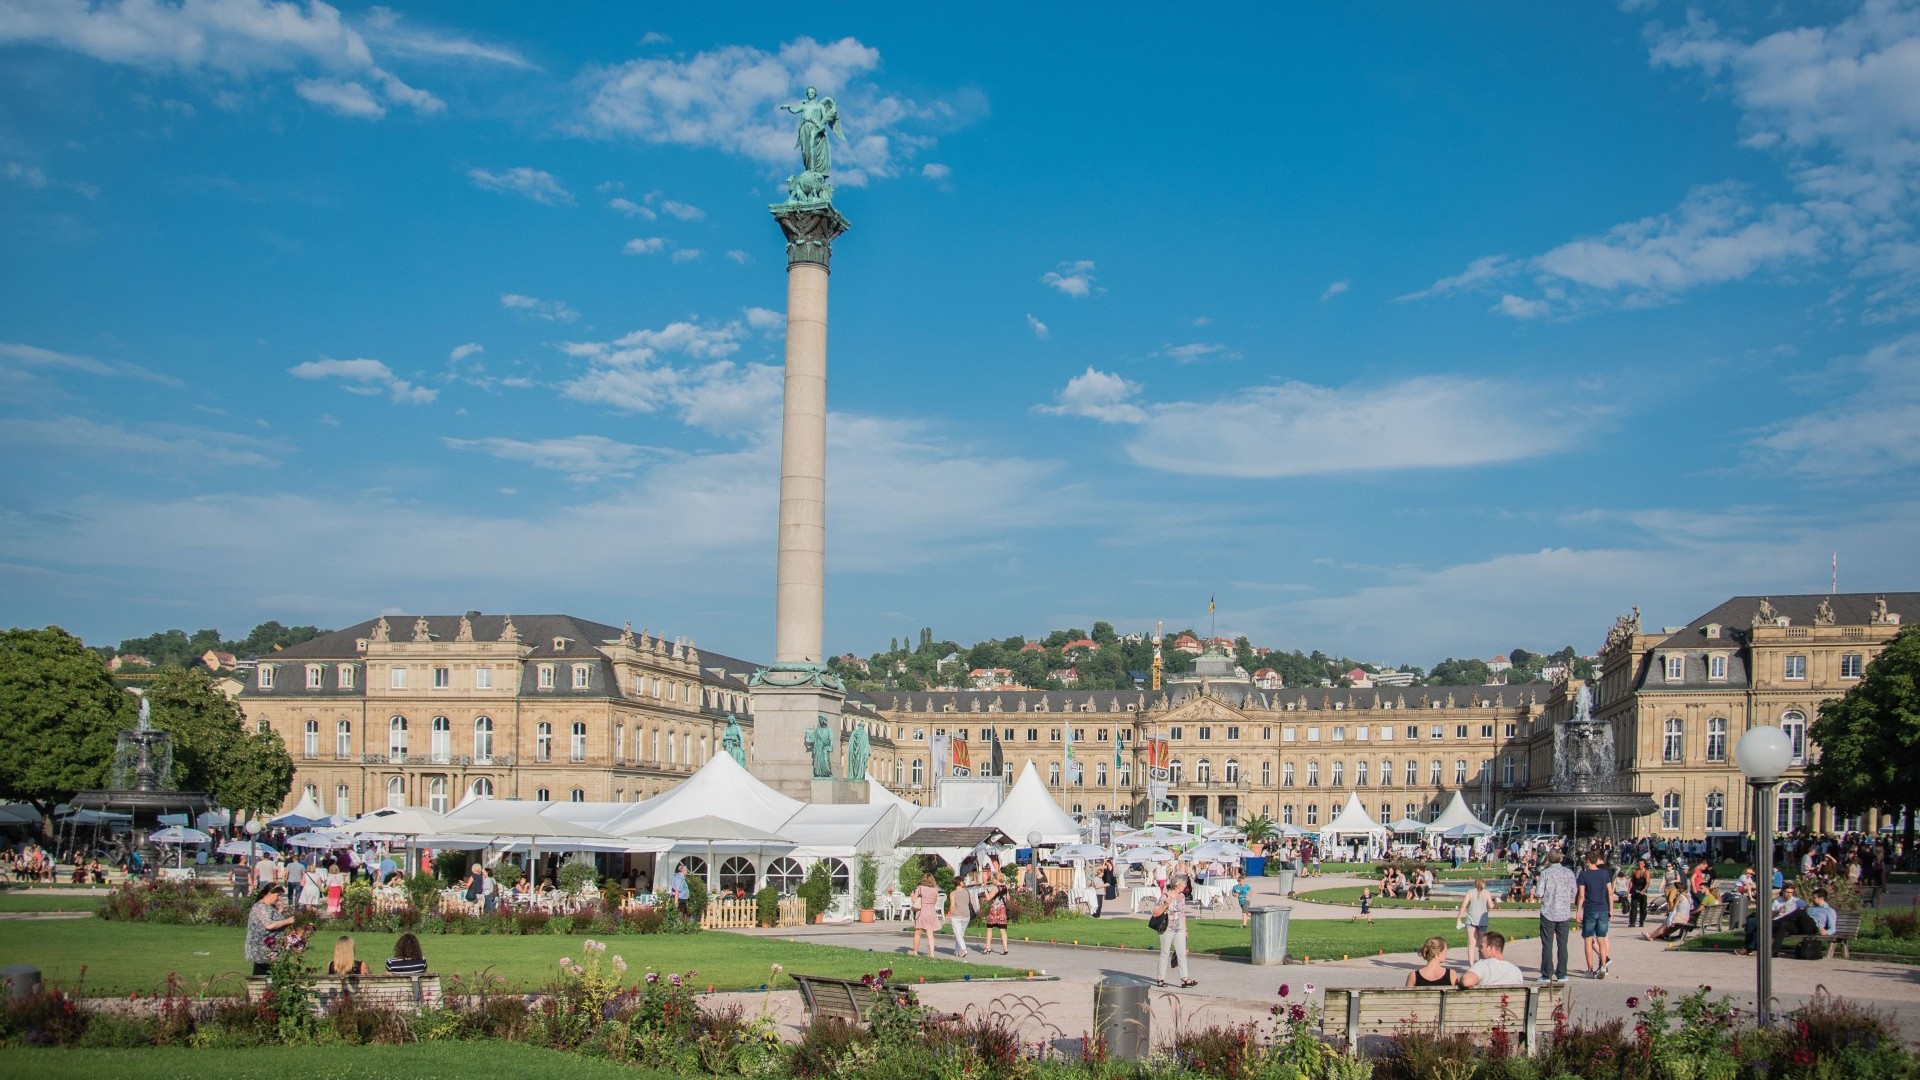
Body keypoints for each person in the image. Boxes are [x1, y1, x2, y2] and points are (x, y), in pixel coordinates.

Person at [1534, 850, 1576, 982]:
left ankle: (1547, 974)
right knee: (1563, 944)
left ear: (1549, 860)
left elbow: (1539, 893)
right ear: (1560, 859)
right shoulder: (1568, 873)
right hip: (1563, 912)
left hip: (1548, 912)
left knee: (1547, 944)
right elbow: (1574, 891)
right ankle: (1562, 973)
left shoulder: (1545, 873)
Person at [1574, 851, 1615, 979]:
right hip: (1603, 909)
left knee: (1588, 939)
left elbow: (1581, 896)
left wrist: (1578, 912)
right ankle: (1603, 965)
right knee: (1601, 938)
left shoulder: (1584, 875)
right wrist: (1611, 910)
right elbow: (1610, 893)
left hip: (1590, 910)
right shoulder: (1604, 874)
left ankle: (1590, 970)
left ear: (1587, 861)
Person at [1151, 879, 1197, 989]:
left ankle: (1185, 978)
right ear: (1177, 885)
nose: (1185, 886)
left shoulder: (1181, 897)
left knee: (1181, 954)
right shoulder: (1165, 896)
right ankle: (1161, 979)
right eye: (1183, 884)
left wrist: (1185, 929)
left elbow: (1183, 913)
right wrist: (1165, 905)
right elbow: (1155, 913)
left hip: (1179, 929)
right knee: (1165, 953)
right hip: (1167, 928)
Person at [243, 883, 296, 976]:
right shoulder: (260, 907)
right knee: (263, 977)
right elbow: (269, 925)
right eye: (278, 895)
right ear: (269, 893)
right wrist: (287, 921)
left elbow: (273, 920)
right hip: (262, 949)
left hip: (272, 949)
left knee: (270, 976)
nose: (279, 898)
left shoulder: (270, 907)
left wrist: (280, 912)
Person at [1457, 930, 1525, 988]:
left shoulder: (1484, 965)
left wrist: (1460, 979)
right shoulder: (1516, 971)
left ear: (1490, 948)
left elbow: (1466, 982)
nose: (1479, 950)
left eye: (1481, 947)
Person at [1455, 878, 1497, 963]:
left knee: (1471, 944)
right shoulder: (1487, 892)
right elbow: (1491, 906)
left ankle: (1471, 964)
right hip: (1482, 921)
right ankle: (1482, 962)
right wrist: (1496, 902)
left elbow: (1463, 905)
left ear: (1474, 884)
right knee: (1482, 944)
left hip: (1471, 920)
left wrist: (1459, 918)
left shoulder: (1470, 892)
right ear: (1483, 884)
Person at [909, 873, 943, 958]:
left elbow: (914, 900)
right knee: (930, 933)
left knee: (918, 932)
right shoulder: (935, 890)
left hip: (921, 912)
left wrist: (912, 895)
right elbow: (935, 902)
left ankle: (915, 951)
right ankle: (931, 953)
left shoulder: (920, 889)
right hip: (931, 912)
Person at [980, 872, 1011, 955]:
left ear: (996, 879)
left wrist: (985, 887)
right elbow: (1008, 898)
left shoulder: (996, 888)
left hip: (995, 910)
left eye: (993, 878)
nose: (992, 880)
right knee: (1003, 929)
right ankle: (1005, 948)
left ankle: (988, 948)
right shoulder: (1005, 887)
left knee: (989, 928)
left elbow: (989, 897)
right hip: (1002, 909)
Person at [948, 872, 977, 959]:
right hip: (966, 915)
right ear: (960, 883)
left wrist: (949, 913)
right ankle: (957, 951)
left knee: (958, 933)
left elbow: (952, 905)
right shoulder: (967, 892)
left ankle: (964, 949)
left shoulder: (953, 893)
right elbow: (971, 902)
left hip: (957, 916)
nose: (963, 883)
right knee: (960, 934)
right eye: (963, 881)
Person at [1628, 859, 1651, 929]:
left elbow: (1647, 883)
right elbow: (1631, 881)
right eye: (1638, 864)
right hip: (1635, 890)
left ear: (1644, 864)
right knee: (1633, 907)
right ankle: (1632, 923)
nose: (1639, 865)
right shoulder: (1634, 871)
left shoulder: (1647, 872)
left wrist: (1644, 890)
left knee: (1643, 908)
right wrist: (1629, 890)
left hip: (1643, 891)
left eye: (1641, 864)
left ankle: (1641, 922)